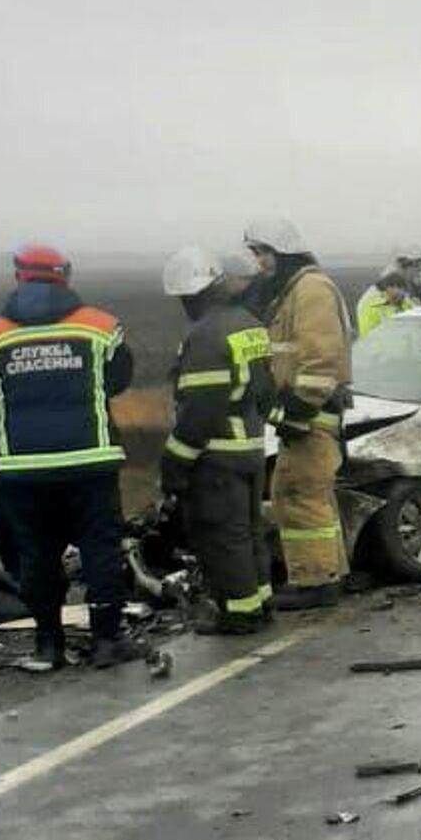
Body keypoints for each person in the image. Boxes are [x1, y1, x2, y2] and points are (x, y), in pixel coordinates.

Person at [0, 244, 136, 670]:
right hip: (90, 460)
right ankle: (106, 640)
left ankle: (48, 644)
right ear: (64, 276)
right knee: (100, 550)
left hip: (23, 469)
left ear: (19, 277)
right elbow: (119, 378)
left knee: (37, 556)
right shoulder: (101, 326)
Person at [160, 247, 277, 634]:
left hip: (218, 455)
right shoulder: (248, 323)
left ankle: (239, 615)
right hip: (252, 449)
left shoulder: (206, 335)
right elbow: (265, 392)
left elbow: (200, 412)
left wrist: (175, 464)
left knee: (224, 538)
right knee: (248, 533)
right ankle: (260, 604)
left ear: (191, 295)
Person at [242, 218, 351, 611]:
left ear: (282, 251)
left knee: (297, 494)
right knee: (309, 495)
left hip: (312, 413)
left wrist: (299, 409)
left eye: (262, 253)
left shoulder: (311, 289)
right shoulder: (294, 289)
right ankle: (330, 573)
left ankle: (315, 580)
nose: (259, 263)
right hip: (306, 412)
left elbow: (321, 357)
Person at [355, 266, 418, 337]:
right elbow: (370, 330)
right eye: (393, 287)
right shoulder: (372, 306)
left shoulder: (406, 302)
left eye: (402, 289)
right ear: (387, 288)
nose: (399, 292)